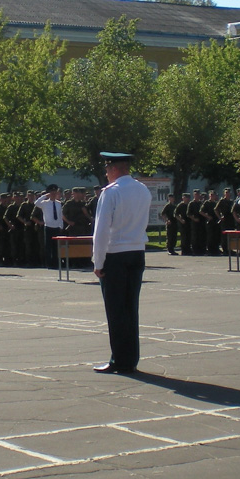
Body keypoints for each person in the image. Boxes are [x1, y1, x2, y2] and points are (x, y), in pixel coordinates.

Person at [91, 151, 152, 375]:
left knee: (116, 310)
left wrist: (98, 262)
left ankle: (120, 359)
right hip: (137, 251)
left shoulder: (111, 192)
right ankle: (131, 358)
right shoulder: (142, 189)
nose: (106, 173)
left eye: (107, 169)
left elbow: (101, 230)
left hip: (115, 254)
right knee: (130, 307)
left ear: (115, 168)